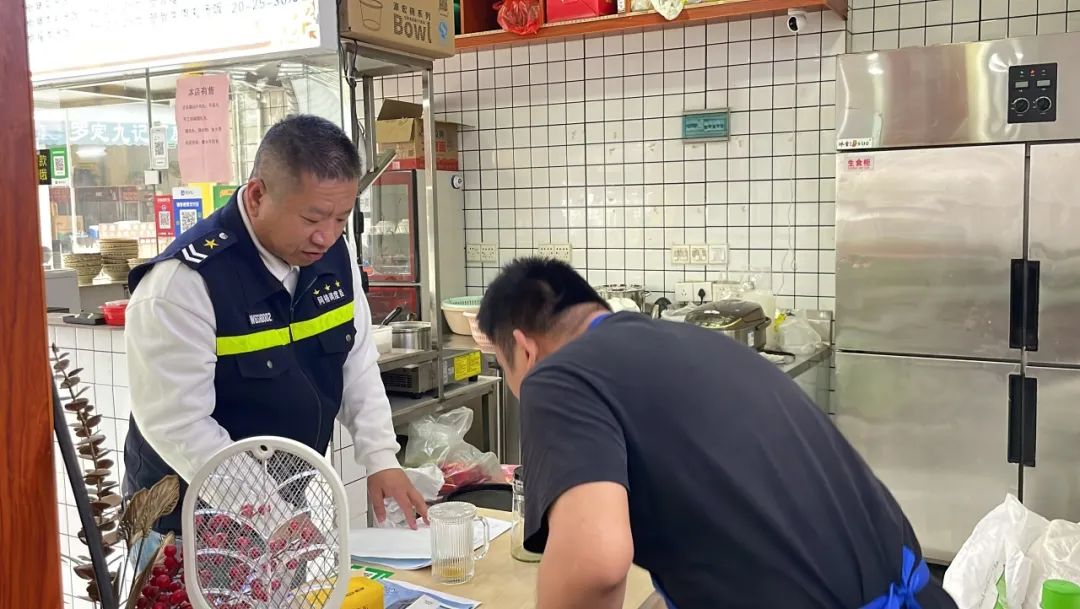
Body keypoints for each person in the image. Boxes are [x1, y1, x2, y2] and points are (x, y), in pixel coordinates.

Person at [476, 258, 958, 609]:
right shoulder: (694, 342)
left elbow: (596, 566)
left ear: (524, 348)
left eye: (505, 367)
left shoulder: (557, 375)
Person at [122, 115, 426, 568]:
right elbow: (178, 423)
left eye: (341, 218)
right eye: (312, 218)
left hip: (281, 512)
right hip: (187, 530)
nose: (326, 235)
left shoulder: (333, 255)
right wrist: (270, 514)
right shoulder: (185, 282)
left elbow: (355, 361)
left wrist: (382, 457)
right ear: (257, 195)